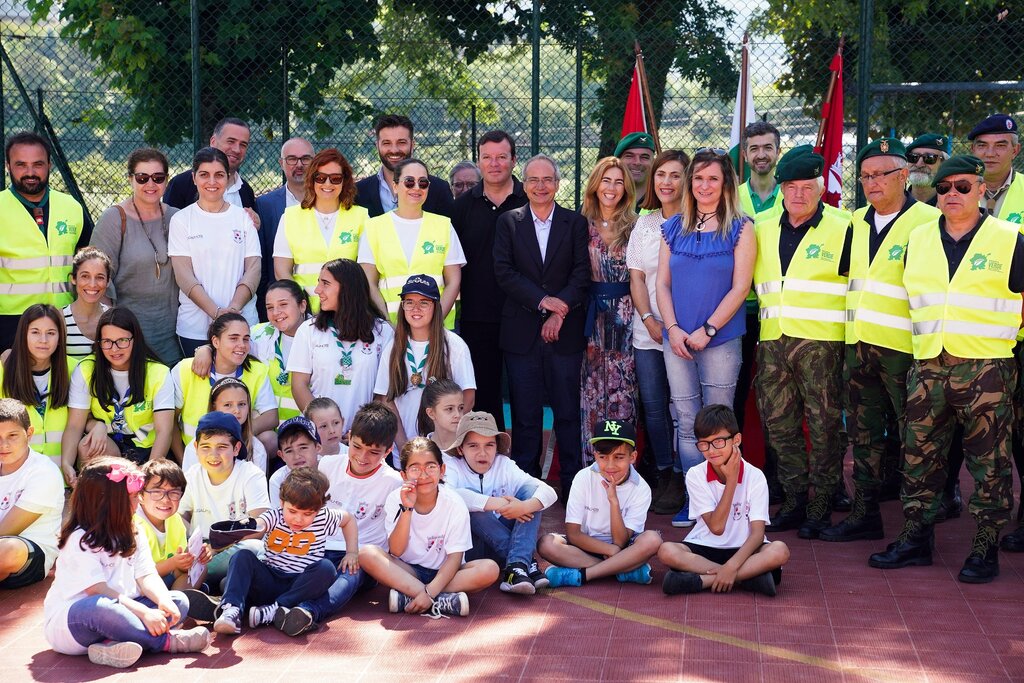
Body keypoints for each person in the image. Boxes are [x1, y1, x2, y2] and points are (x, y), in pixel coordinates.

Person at [869, 156, 1024, 582]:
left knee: (989, 463)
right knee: (918, 456)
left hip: (987, 369)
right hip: (928, 367)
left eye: (961, 186)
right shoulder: (917, 239)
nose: (951, 194)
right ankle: (916, 538)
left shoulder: (1010, 239)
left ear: (980, 189)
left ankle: (984, 546)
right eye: (943, 188)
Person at [820, 139, 940, 543]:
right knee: (865, 435)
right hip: (860, 348)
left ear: (904, 176)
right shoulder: (854, 222)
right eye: (865, 176)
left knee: (916, 438)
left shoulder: (929, 221)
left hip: (908, 351)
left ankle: (917, 529)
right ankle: (864, 514)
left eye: (880, 175)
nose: (871, 183)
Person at [752, 146, 852, 537]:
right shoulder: (761, 226)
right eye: (790, 186)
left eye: (806, 186)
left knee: (825, 425)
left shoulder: (845, 227)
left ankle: (823, 502)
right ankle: (795, 499)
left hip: (823, 345)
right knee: (780, 425)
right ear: (780, 189)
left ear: (821, 186)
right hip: (773, 342)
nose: (797, 194)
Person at [656, 148, 755, 528]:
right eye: (698, 178)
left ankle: (724, 498)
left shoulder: (742, 228)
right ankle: (694, 498)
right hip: (677, 339)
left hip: (720, 339)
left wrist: (708, 329)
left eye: (713, 178)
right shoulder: (673, 227)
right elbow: (662, 284)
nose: (704, 185)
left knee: (718, 421)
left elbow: (740, 287)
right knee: (685, 419)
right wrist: (675, 329)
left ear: (726, 183)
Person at [42, 457, 209, 669]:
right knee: (100, 608)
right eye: (131, 497)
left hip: (126, 609)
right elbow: (98, 591)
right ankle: (168, 641)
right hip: (76, 622)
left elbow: (146, 574)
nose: (137, 501)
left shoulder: (133, 530)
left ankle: (111, 645)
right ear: (106, 502)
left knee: (178, 601)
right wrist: (144, 612)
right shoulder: (80, 539)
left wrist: (163, 599)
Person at [494, 154, 590, 496]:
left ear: (558, 183)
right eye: (533, 180)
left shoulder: (575, 224)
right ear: (524, 184)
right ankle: (527, 487)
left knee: (567, 413)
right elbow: (504, 272)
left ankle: (571, 489)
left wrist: (558, 311)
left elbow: (582, 273)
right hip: (521, 332)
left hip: (565, 333)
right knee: (525, 416)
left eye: (547, 179)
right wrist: (542, 302)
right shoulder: (508, 222)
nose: (540, 186)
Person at [281, 402, 402, 635]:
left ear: (388, 452)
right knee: (292, 567)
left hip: (362, 554)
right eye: (357, 446)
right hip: (321, 547)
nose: (362, 457)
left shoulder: (394, 483)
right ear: (349, 437)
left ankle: (307, 612)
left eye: (374, 452)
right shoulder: (327, 465)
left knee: (350, 576)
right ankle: (267, 604)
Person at [359, 437, 499, 618]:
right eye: (415, 468)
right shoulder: (396, 498)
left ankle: (412, 597)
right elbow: (396, 550)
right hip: (408, 571)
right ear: (404, 475)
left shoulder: (454, 503)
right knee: (366, 554)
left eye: (431, 467)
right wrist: (407, 509)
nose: (423, 475)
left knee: (489, 569)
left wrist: (429, 592)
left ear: (442, 470)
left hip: (448, 573)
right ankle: (442, 601)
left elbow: (455, 558)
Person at [658, 404, 789, 596]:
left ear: (736, 440)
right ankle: (747, 577)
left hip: (745, 548)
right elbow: (717, 528)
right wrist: (731, 482)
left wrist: (731, 566)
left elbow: (757, 534)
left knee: (780, 551)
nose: (711, 450)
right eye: (704, 444)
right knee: (666, 551)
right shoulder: (695, 474)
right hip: (706, 546)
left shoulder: (755, 476)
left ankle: (702, 581)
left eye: (718, 441)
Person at [211, 466, 354, 635]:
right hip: (270, 579)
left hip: (299, 585)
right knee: (242, 556)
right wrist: (244, 528)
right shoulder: (275, 516)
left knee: (327, 568)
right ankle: (231, 610)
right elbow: (260, 523)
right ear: (281, 503)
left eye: (308, 514)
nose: (298, 519)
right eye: (292, 511)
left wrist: (352, 552)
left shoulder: (324, 517)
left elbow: (348, 519)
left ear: (319, 508)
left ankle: (273, 610)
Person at [451, 130, 528, 429]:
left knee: (526, 395)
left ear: (513, 160)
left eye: (501, 157)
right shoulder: (461, 208)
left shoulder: (531, 200)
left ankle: (524, 466)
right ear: (479, 161)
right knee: (483, 397)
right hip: (477, 316)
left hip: (524, 314)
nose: (494, 164)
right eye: (487, 158)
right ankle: (486, 461)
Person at [627, 150, 688, 515]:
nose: (666, 182)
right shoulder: (646, 223)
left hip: (686, 333)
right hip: (647, 331)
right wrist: (649, 319)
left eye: (675, 175)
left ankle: (684, 473)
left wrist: (676, 327)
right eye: (660, 174)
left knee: (682, 407)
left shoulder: (700, 223)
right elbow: (636, 276)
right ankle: (664, 471)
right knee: (653, 406)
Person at [537, 419, 662, 587]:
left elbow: (620, 542)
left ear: (632, 457)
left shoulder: (641, 488)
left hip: (625, 548)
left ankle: (585, 575)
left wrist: (613, 502)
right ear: (595, 455)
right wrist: (610, 550)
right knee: (547, 544)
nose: (610, 465)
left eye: (618, 457)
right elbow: (574, 534)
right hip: (587, 546)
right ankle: (624, 570)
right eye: (603, 457)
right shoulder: (583, 477)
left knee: (653, 540)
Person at [443, 411, 557, 594]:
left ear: (497, 447)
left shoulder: (504, 464)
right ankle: (525, 562)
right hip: (471, 553)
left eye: (489, 445)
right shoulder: (451, 466)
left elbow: (549, 492)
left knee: (531, 494)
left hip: (501, 548)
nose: (482, 453)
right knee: (469, 503)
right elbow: (449, 495)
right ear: (460, 449)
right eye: (473, 446)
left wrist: (525, 506)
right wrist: (499, 504)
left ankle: (516, 566)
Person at [90, 147, 182, 365]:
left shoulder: (177, 218)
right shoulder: (114, 219)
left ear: (166, 181)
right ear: (131, 179)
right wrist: (112, 331)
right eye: (142, 178)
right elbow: (98, 279)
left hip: (173, 331)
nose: (150, 184)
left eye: (158, 178)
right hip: (129, 333)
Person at [168, 147, 262, 357]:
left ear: (228, 177)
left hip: (242, 325)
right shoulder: (181, 220)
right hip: (195, 328)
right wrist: (217, 313)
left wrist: (233, 311)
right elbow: (184, 275)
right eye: (204, 175)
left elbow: (253, 270)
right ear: (194, 178)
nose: (212, 181)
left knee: (241, 388)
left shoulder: (243, 218)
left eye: (219, 175)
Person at [62, 307, 174, 482]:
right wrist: (67, 463)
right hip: (110, 445)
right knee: (88, 445)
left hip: (146, 451)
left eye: (122, 340)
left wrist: (148, 474)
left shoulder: (158, 373)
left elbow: (164, 431)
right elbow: (75, 426)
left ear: (135, 340)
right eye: (107, 341)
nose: (114, 349)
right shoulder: (86, 370)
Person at [0, 131, 88, 351]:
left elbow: (90, 262)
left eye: (37, 164)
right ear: (8, 166)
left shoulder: (72, 207)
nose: (30, 172)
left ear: (49, 165)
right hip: (12, 321)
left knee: (64, 382)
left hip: (65, 317)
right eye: (21, 164)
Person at [579, 157, 639, 464]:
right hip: (590, 318)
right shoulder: (580, 223)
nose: (612, 188)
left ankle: (622, 466)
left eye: (618, 181)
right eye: (606, 180)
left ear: (626, 188)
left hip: (626, 316)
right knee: (591, 393)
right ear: (595, 185)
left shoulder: (636, 226)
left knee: (623, 392)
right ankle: (591, 466)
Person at [358, 158, 466, 328]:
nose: (416, 187)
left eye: (423, 183)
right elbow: (369, 283)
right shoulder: (374, 227)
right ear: (395, 186)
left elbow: (453, 282)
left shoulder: (444, 225)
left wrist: (434, 324)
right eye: (409, 182)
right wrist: (388, 324)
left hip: (439, 330)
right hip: (391, 330)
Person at [289, 258, 393, 431]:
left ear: (347, 288)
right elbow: (299, 386)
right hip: (320, 437)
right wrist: (325, 427)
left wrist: (362, 429)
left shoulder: (383, 331)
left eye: (325, 283)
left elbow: (383, 392)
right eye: (318, 283)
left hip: (364, 435)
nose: (317, 290)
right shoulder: (308, 330)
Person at [374, 275, 476, 449]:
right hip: (404, 449)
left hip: (444, 449)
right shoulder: (393, 347)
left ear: (435, 307)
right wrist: (403, 444)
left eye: (424, 303)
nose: (416, 308)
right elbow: (385, 399)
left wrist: (446, 439)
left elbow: (468, 397)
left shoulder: (454, 345)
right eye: (409, 302)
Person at [178, 411, 270, 589]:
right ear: (195, 448)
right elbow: (180, 517)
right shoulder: (192, 475)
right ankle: (206, 584)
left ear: (236, 449)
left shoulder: (250, 474)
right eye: (205, 447)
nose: (213, 454)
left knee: (252, 548)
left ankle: (201, 582)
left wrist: (215, 547)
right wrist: (190, 549)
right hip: (201, 550)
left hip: (233, 546)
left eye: (221, 447)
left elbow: (259, 526)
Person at [273, 149, 368, 312]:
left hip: (347, 310)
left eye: (336, 178)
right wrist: (301, 304)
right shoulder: (290, 217)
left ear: (345, 181)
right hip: (305, 311)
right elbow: (281, 271)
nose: (328, 184)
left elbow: (366, 271)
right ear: (311, 179)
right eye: (321, 178)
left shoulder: (361, 217)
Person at [171, 313, 278, 453]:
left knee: (269, 438)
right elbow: (170, 421)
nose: (242, 345)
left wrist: (236, 432)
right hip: (195, 453)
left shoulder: (257, 370)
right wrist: (182, 461)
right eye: (233, 338)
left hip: (238, 450)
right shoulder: (185, 369)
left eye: (246, 339)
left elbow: (271, 417)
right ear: (215, 342)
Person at [0, 398, 64, 589]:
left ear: (29, 433)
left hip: (29, 553)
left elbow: (6, 532)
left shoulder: (44, 472)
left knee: (6, 550)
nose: (4, 445)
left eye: (12, 435)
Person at [0, 304, 74, 466]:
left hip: (61, 476)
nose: (43, 340)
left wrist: (98, 426)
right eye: (35, 332)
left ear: (60, 337)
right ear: (23, 335)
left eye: (51, 333)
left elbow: (82, 418)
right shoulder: (2, 371)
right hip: (13, 477)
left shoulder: (75, 370)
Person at [255, 138, 315, 318]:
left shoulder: (328, 203)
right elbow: (264, 259)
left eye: (305, 159)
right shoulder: (265, 205)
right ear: (281, 163)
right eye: (291, 159)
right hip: (280, 305)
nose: (299, 164)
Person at [354, 114, 454, 218]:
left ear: (412, 145)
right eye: (386, 143)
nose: (394, 150)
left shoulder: (439, 190)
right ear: (377, 146)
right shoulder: (359, 192)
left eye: (401, 142)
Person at [134, 459, 211, 590]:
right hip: (140, 586)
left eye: (174, 493)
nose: (165, 500)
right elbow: (138, 575)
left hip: (167, 578)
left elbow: (180, 561)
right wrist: (172, 563)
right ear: (140, 495)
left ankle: (181, 599)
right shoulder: (134, 524)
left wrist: (193, 557)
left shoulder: (174, 519)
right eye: (157, 492)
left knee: (201, 567)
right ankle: (176, 603)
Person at [163, 117, 258, 223]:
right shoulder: (181, 185)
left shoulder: (246, 191)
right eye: (231, 141)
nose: (237, 149)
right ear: (213, 141)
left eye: (243, 145)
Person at [180, 377, 269, 473]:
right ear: (214, 407)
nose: (237, 410)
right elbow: (189, 485)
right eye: (227, 405)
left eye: (242, 404)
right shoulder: (195, 448)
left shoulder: (257, 449)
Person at [968, 114, 1024, 223]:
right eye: (982, 145)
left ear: (1015, 150)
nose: (990, 154)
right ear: (973, 149)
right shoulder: (954, 189)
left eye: (1000, 146)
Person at [62, 247, 110, 360]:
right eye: (85, 276)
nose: (92, 284)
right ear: (73, 279)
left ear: (108, 282)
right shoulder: (59, 319)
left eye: (99, 277)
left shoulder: (114, 318)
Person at [268, 416, 324, 508]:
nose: (297, 456)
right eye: (289, 451)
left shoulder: (331, 470)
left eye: (303, 447)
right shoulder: (278, 480)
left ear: (318, 448)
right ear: (282, 456)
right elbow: (279, 518)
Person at [738, 122, 782, 217]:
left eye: (768, 148)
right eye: (754, 149)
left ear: (778, 152)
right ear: (745, 155)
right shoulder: (732, 198)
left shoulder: (791, 197)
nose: (761, 155)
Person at [417, 378, 464, 451]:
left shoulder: (471, 448)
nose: (457, 415)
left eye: (461, 408)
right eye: (450, 409)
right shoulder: (419, 452)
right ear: (431, 413)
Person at [614, 132, 656, 206]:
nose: (637, 162)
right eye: (629, 156)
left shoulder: (662, 200)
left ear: (653, 162)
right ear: (618, 161)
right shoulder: (607, 198)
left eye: (644, 157)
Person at [905, 134, 948, 206]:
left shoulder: (949, 205)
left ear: (943, 164)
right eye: (913, 157)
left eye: (929, 158)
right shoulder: (896, 203)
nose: (919, 164)